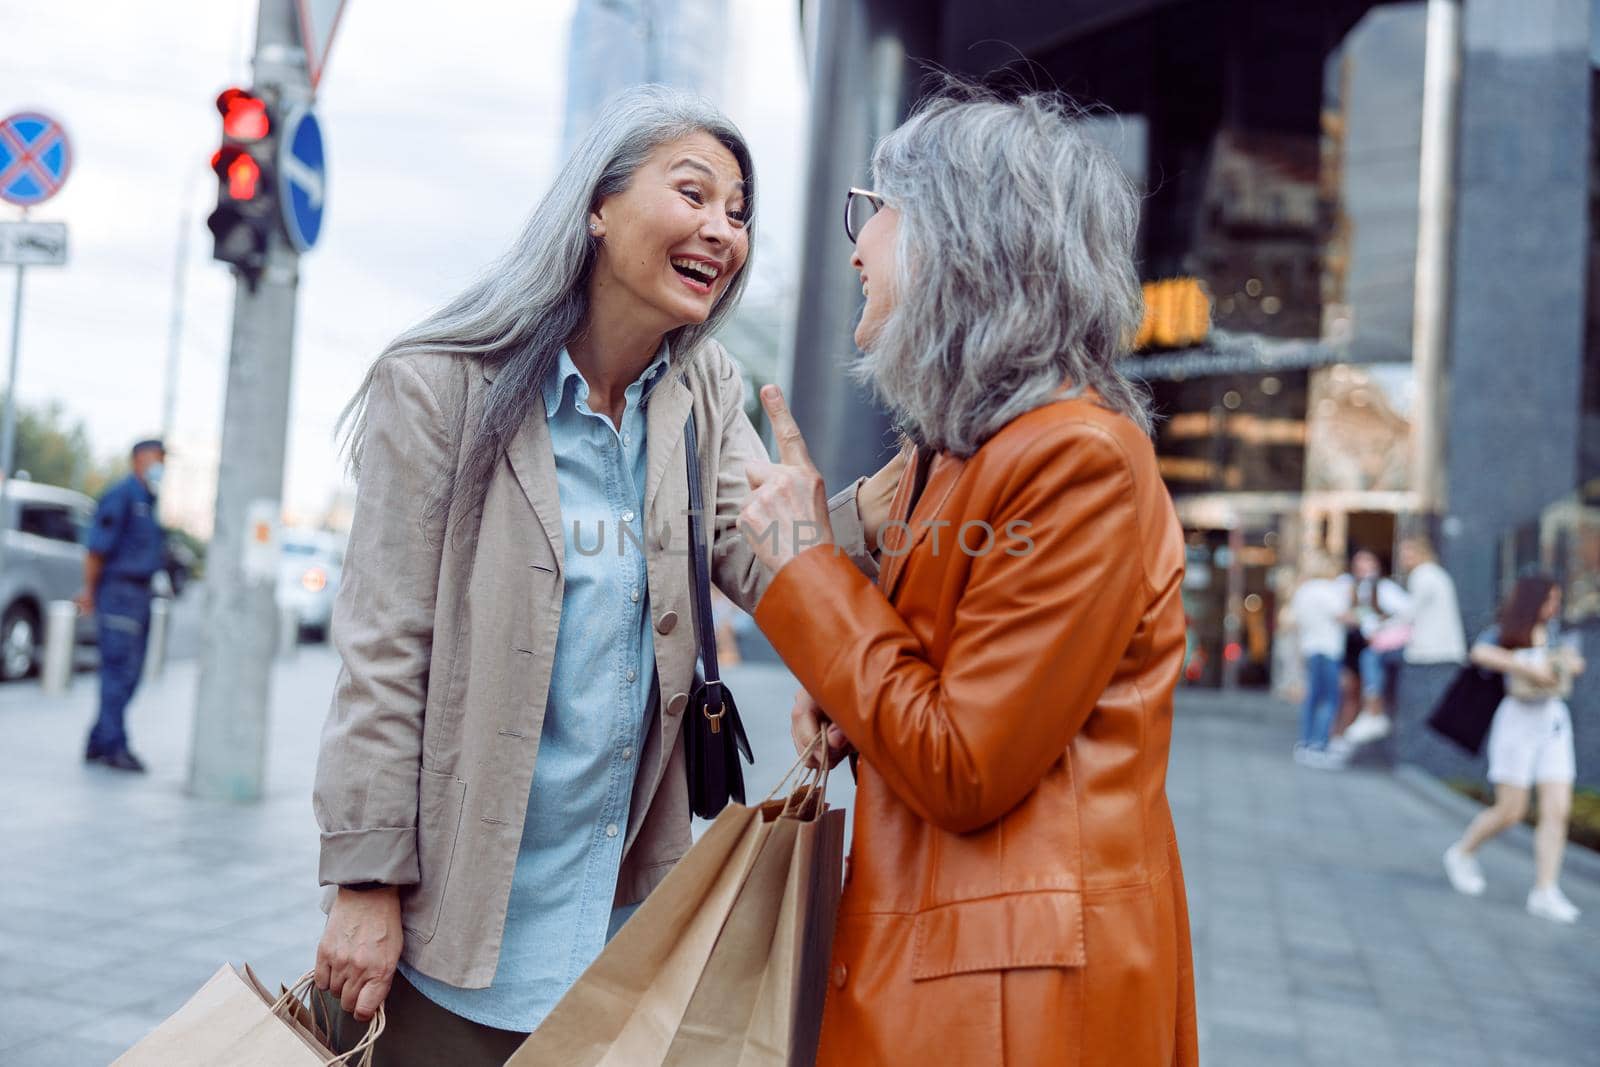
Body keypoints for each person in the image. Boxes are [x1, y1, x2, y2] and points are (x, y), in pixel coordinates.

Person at [309, 87, 887, 1064]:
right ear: (597, 206)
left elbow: (771, 555)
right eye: (694, 193)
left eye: (739, 211)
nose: (723, 229)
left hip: (628, 922)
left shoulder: (701, 392)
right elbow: (382, 654)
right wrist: (364, 883)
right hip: (454, 929)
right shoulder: (439, 386)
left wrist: (915, 482)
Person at [737, 90, 1197, 1066]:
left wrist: (802, 562)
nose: (856, 246)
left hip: (1012, 1005)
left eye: (878, 209)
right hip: (954, 965)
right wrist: (847, 687)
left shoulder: (1079, 458)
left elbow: (961, 762)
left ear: (959, 241)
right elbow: (917, 683)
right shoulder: (956, 452)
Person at [1443, 576, 1585, 924]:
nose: (1553, 607)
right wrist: (1521, 664)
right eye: (1549, 599)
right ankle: (1462, 852)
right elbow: (1479, 652)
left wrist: (1558, 665)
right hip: (1516, 723)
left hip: (1552, 723)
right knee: (1511, 809)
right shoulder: (1505, 630)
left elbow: (1577, 662)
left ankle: (1545, 889)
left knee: (1557, 810)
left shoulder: (1557, 632)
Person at [78, 438, 166, 773]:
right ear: (139, 458)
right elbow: (95, 549)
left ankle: (99, 740)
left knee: (130, 674)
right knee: (119, 672)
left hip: (139, 595)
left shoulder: (148, 497)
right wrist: (89, 591)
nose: (162, 466)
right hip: (119, 593)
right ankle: (114, 746)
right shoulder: (122, 495)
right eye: (158, 458)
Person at [1336, 548, 1411, 746]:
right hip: (1350, 646)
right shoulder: (1346, 585)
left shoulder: (1384, 588)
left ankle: (1370, 717)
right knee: (1347, 692)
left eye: (1368, 563)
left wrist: (1381, 624)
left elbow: (1406, 610)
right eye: (1359, 564)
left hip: (1374, 645)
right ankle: (1340, 738)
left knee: (1365, 683)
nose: (1363, 568)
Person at [1288, 552, 1348, 766]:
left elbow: (1295, 619)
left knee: (1312, 698)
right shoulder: (1330, 590)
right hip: (1329, 648)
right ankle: (1319, 745)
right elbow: (1342, 616)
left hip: (1310, 647)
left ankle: (1305, 743)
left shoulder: (1303, 591)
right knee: (1330, 699)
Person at [1397, 536, 1466, 666]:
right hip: (1445, 649)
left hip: (1431, 651)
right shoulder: (1435, 572)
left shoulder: (1421, 574)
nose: (1403, 558)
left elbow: (1409, 614)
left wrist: (1381, 628)